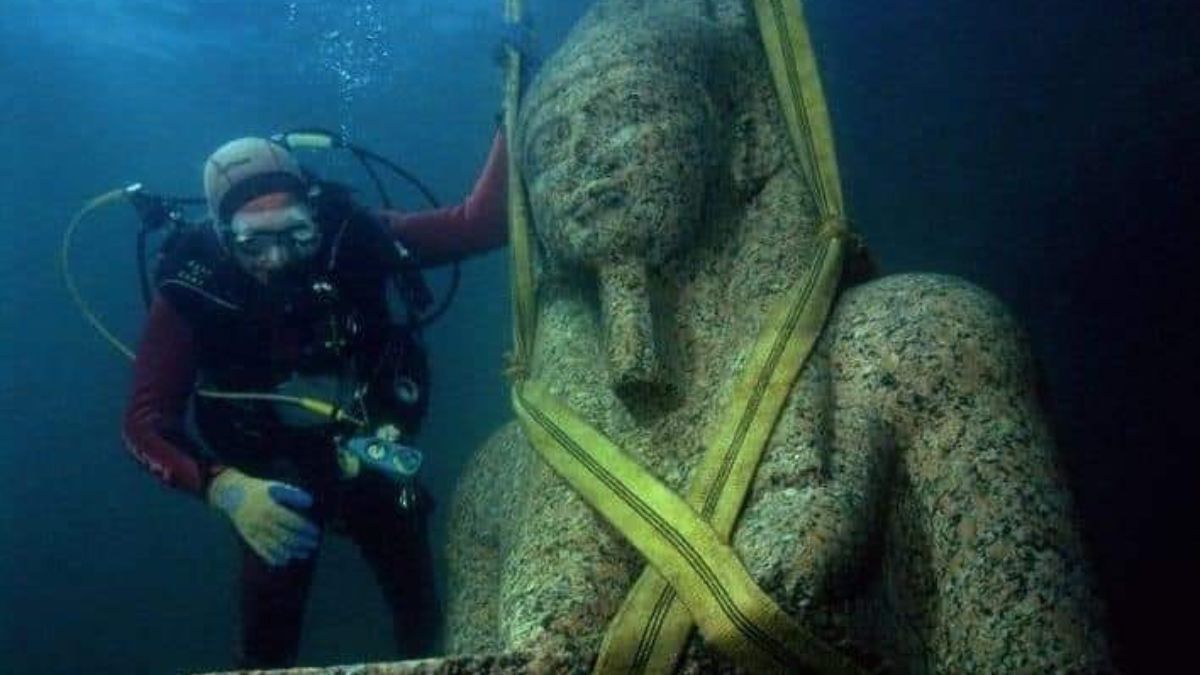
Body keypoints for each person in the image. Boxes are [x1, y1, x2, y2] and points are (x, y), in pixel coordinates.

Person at [122, 130, 507, 668]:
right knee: (267, 645)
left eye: (297, 234)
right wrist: (225, 489)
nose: (278, 258)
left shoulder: (354, 235)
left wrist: (512, 108)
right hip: (268, 482)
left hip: (371, 451)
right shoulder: (194, 285)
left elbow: (479, 224)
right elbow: (144, 422)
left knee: (419, 614)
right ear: (219, 231)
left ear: (315, 212)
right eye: (253, 242)